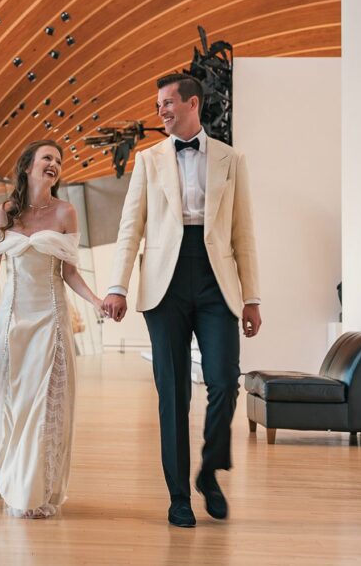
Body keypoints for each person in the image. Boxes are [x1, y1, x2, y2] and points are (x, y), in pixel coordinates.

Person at [102, 73, 262, 528]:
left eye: (168, 103)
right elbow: (130, 227)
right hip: (164, 283)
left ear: (192, 103)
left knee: (224, 381)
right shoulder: (148, 160)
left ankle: (209, 472)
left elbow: (243, 233)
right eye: (157, 106)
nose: (161, 111)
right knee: (171, 393)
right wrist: (116, 285)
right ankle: (178, 498)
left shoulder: (232, 160)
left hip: (217, 281)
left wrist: (251, 297)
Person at [0, 140, 104, 518]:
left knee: (44, 406)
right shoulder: (5, 213)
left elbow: (70, 272)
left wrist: (96, 300)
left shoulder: (66, 213)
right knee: (9, 403)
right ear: (28, 167)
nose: (54, 163)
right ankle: (13, 483)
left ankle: (36, 490)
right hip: (11, 322)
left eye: (58, 160)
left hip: (50, 321)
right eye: (47, 158)